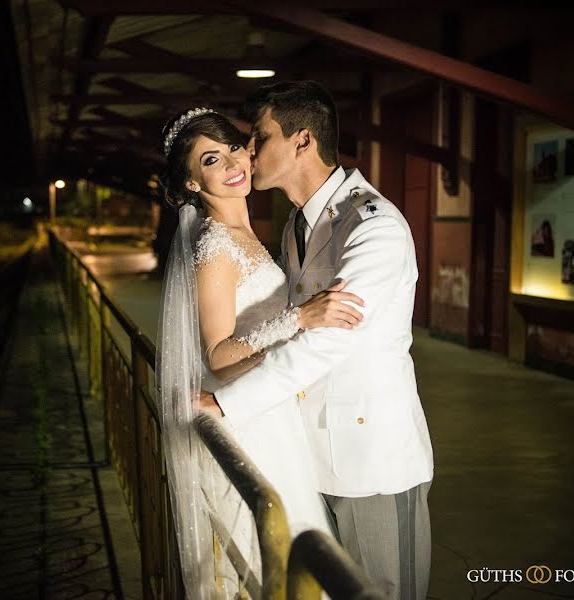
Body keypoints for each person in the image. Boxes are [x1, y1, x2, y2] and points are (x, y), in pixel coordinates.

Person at [196, 81, 435, 599]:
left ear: (302, 140)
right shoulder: (296, 227)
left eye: (260, 137)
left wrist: (227, 403)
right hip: (311, 456)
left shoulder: (374, 226)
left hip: (371, 459)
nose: (249, 152)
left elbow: (330, 340)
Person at [156, 107, 365, 598]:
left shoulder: (247, 235)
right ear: (190, 182)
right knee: (267, 553)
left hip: (272, 412)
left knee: (285, 554)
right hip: (251, 424)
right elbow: (219, 355)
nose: (233, 163)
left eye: (234, 147)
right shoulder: (215, 247)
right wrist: (299, 318)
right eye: (211, 159)